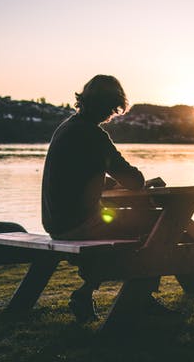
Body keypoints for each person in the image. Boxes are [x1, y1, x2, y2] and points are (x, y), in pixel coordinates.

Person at [41, 74, 168, 322]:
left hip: (56, 224)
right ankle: (143, 297)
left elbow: (84, 176)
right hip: (80, 224)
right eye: (112, 108)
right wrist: (143, 182)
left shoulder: (66, 128)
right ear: (108, 105)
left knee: (132, 226)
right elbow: (133, 180)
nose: (112, 114)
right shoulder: (94, 135)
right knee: (158, 224)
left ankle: (89, 291)